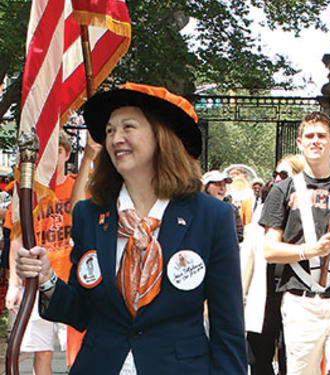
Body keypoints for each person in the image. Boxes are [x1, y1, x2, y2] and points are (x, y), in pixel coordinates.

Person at [15, 82, 247, 374]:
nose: (115, 138)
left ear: (160, 135)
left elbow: (228, 328)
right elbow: (82, 311)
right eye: (110, 130)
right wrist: (47, 278)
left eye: (128, 127)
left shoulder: (212, 216)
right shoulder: (89, 215)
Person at [260, 112, 330, 375]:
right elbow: (270, 250)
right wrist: (309, 251)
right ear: (299, 142)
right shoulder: (283, 190)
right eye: (309, 136)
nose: (315, 141)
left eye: (322, 136)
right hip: (301, 302)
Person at [6, 132, 76, 375]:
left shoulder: (80, 188)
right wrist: (13, 285)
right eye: (47, 152)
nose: (52, 157)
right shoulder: (26, 193)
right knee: (41, 351)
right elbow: (16, 240)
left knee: (76, 352)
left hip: (71, 281)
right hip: (36, 282)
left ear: (67, 155)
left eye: (57, 151)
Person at [243, 155, 304, 375]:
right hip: (265, 290)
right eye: (275, 174)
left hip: (295, 290)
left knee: (292, 356)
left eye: (284, 175)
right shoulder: (264, 208)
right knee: (257, 355)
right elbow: (249, 254)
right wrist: (242, 294)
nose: (277, 179)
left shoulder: (309, 211)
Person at [203, 169, 244, 242]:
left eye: (224, 185)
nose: (222, 189)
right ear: (207, 187)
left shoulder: (232, 209)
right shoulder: (196, 208)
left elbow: (239, 235)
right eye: (218, 185)